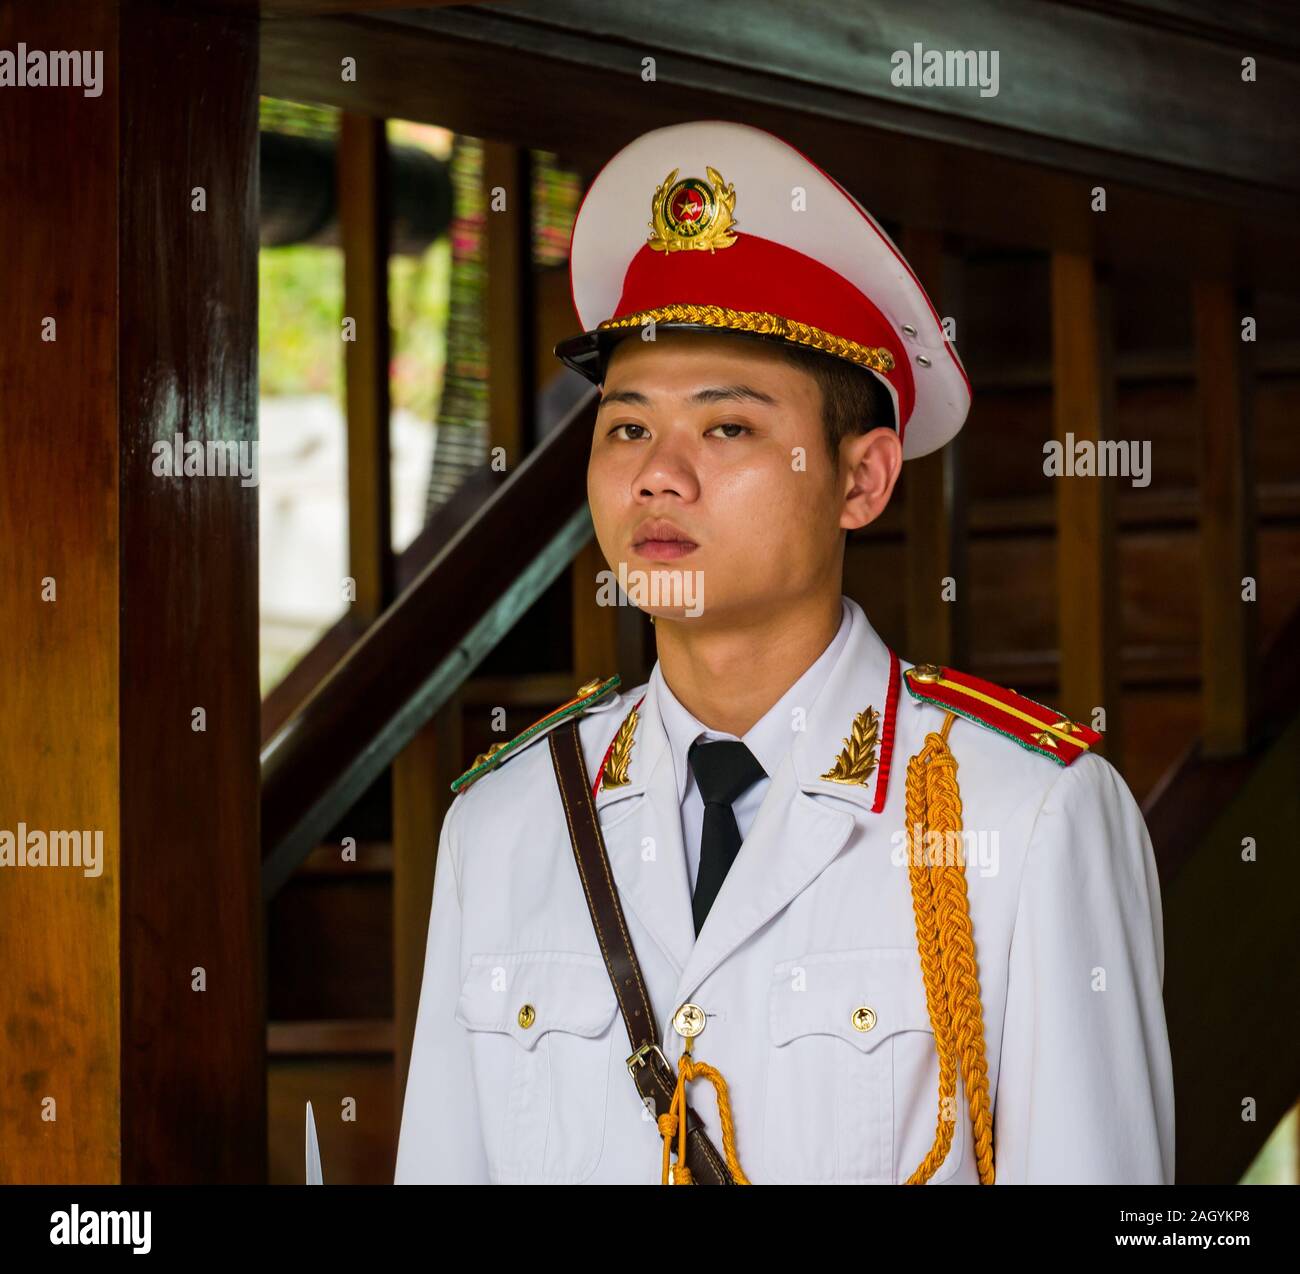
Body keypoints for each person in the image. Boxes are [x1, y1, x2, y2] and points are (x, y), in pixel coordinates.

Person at [393, 119, 1175, 1185]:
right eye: (626, 427)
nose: (657, 475)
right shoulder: (505, 821)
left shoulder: (1021, 814)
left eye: (725, 428)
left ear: (862, 479)